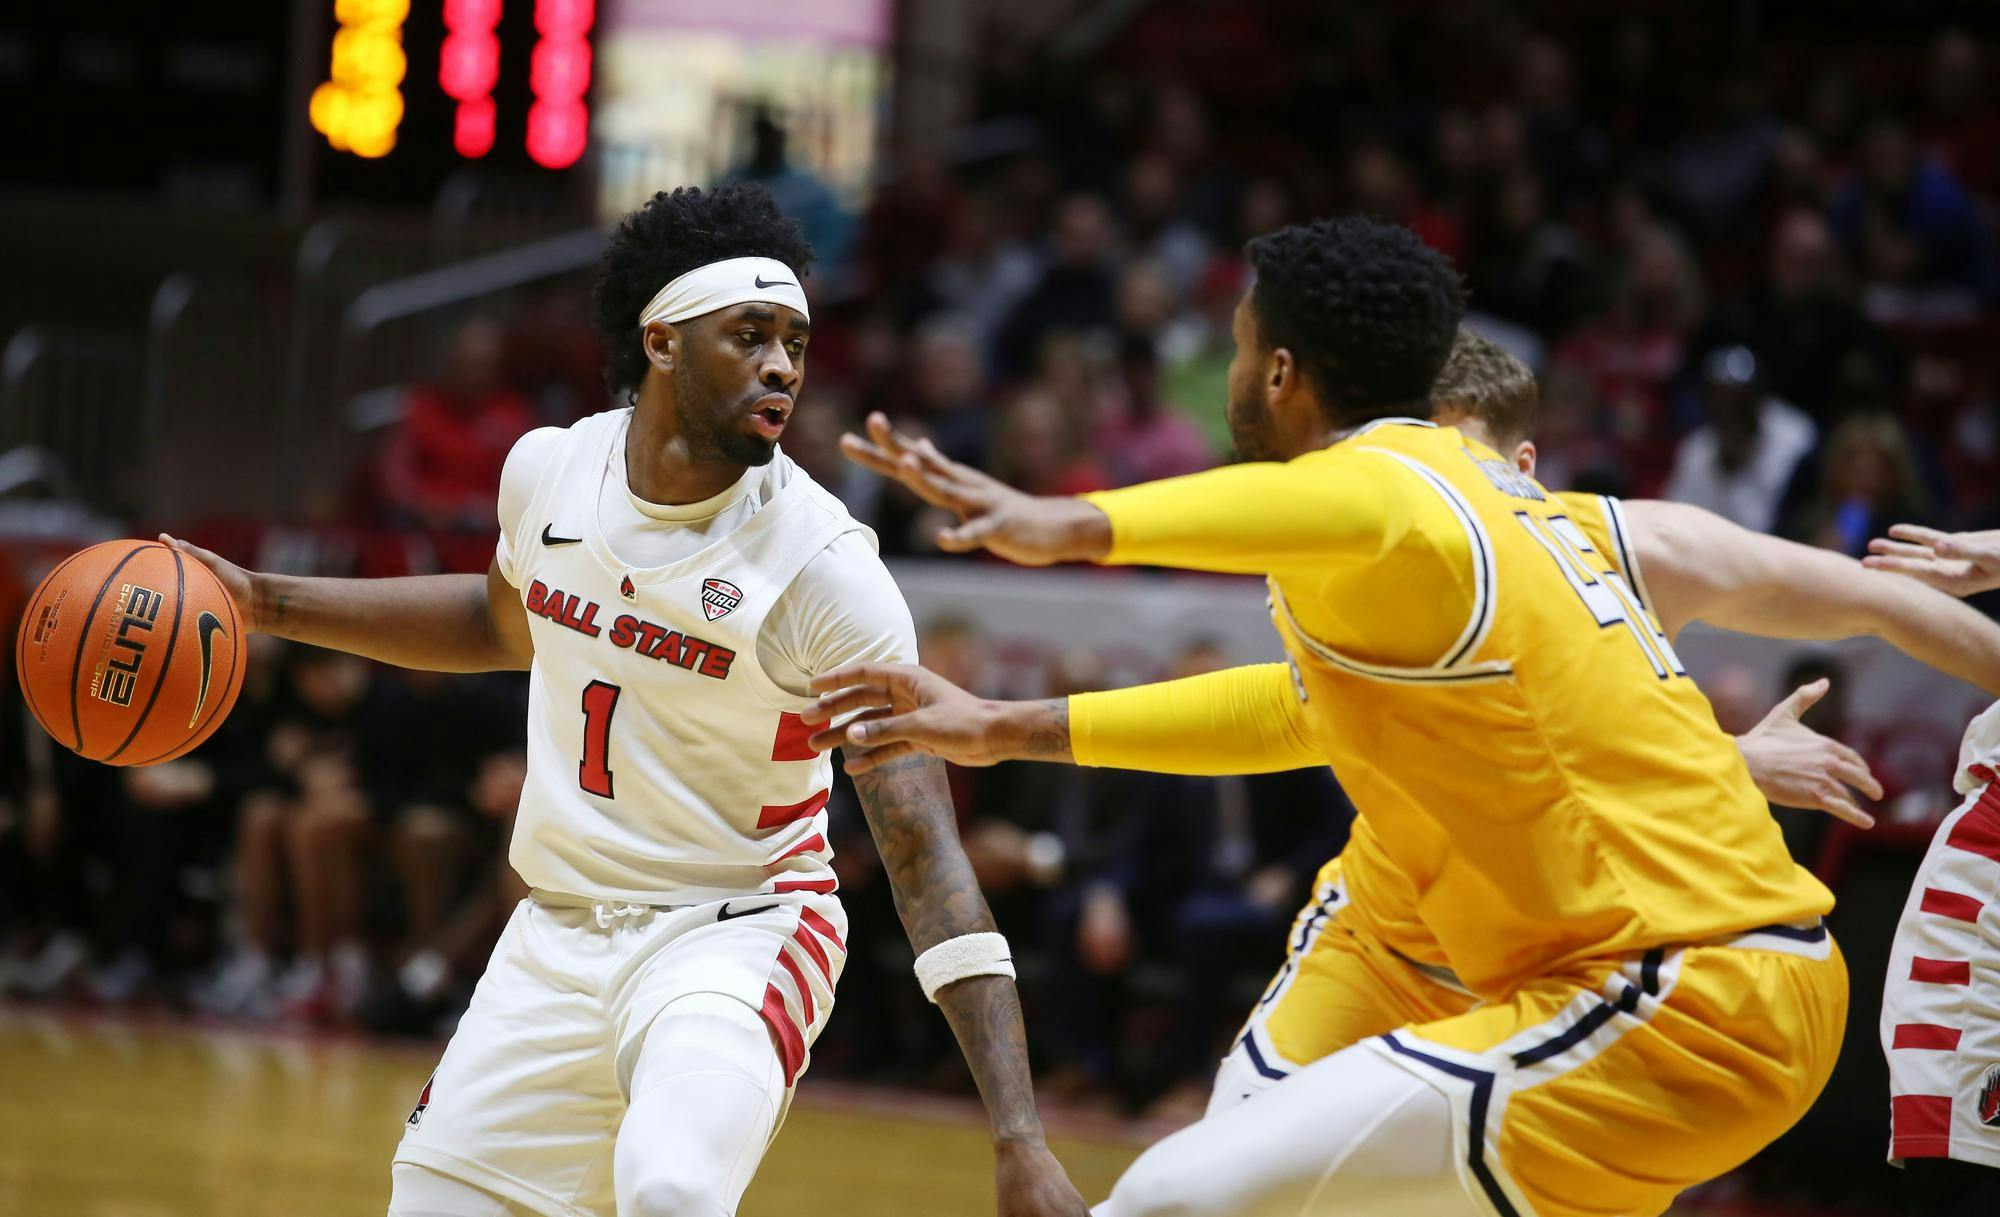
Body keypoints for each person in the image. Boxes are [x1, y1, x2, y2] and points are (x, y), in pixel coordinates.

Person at [803, 217, 1906, 1216]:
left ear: (1281, 371)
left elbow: (1615, 703)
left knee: (1174, 1195)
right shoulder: (1405, 545)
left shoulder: (1423, 498)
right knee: (1217, 1180)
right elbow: (1312, 704)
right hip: (1410, 917)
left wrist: (1063, 520)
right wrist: (998, 721)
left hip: (1636, 970)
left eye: (1238, 348)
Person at [164, 183, 1084, 1217]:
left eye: (795, 339)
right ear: (660, 341)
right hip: (552, 934)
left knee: (672, 1187)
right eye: (749, 335)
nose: (782, 363)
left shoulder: (825, 569)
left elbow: (923, 854)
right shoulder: (548, 471)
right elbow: (498, 624)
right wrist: (262, 599)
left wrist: (1017, 1134)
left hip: (735, 929)